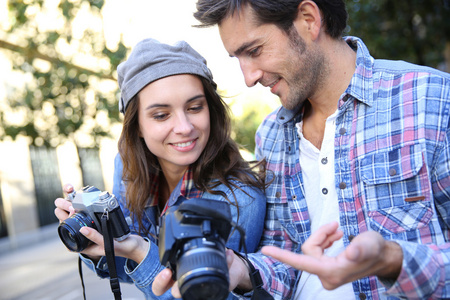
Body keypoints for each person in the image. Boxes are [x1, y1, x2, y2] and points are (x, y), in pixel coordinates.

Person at [152, 0, 450, 299]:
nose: (249, 77)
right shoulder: (271, 135)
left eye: (254, 51)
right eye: (237, 58)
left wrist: (392, 261)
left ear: (309, 19)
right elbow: (286, 261)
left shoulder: (431, 100)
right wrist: (241, 270)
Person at [54, 38, 267, 300]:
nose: (185, 127)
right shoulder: (128, 167)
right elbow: (125, 268)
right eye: (161, 115)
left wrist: (140, 251)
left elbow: (201, 295)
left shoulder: (239, 198)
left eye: (195, 107)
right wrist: (93, 241)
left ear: (210, 110)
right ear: (137, 127)